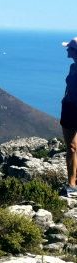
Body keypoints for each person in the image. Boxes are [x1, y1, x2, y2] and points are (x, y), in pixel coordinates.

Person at [60, 37, 77, 197]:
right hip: (70, 110)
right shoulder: (73, 67)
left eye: (69, 48)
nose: (67, 50)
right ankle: (72, 184)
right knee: (71, 147)